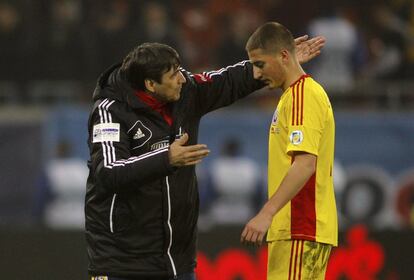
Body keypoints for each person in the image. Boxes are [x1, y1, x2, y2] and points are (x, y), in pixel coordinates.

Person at [86, 36, 325, 280]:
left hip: (178, 261)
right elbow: (109, 171)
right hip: (122, 262)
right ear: (150, 84)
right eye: (173, 76)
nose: (182, 79)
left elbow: (228, 82)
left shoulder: (186, 92)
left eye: (179, 71)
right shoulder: (110, 111)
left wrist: (278, 63)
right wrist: (166, 159)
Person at [240, 22, 337, 280]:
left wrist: (266, 213)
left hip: (300, 227)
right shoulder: (293, 95)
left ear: (284, 56)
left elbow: (305, 163)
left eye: (260, 64)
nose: (257, 74)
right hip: (299, 231)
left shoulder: (302, 96)